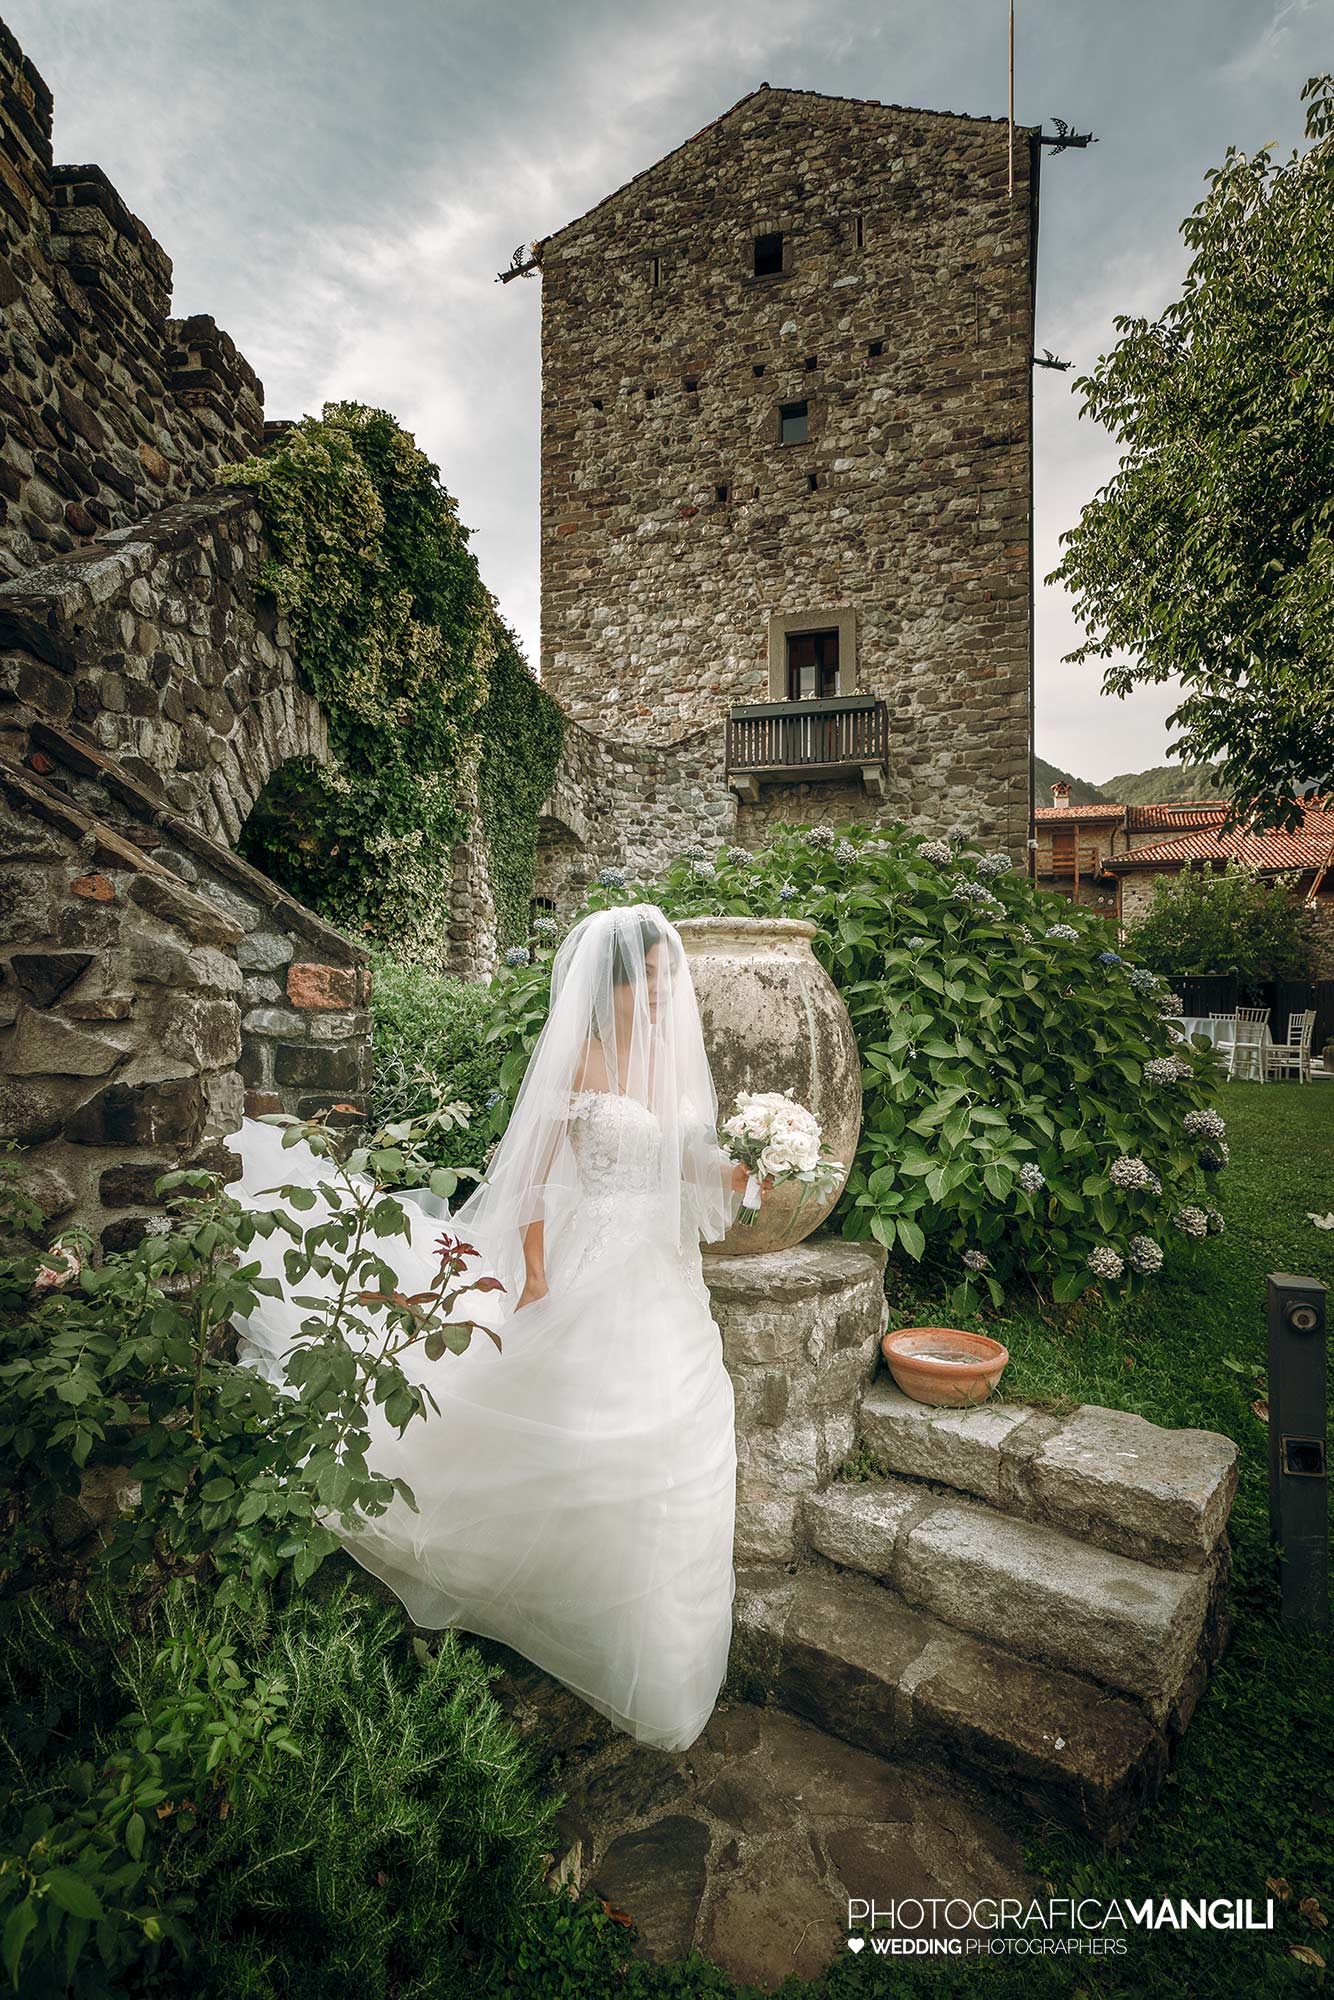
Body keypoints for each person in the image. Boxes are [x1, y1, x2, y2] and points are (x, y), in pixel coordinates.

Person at [225, 904, 760, 1753]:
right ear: (616, 985)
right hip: (589, 1260)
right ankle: (551, 1584)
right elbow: (541, 1181)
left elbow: (686, 1164)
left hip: (660, 1273)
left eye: (670, 980)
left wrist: (750, 1165)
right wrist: (538, 1274)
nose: (666, 993)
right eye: (651, 980)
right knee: (587, 1423)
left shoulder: (670, 1069)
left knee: (675, 1431)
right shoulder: (579, 1059)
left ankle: (652, 1641)